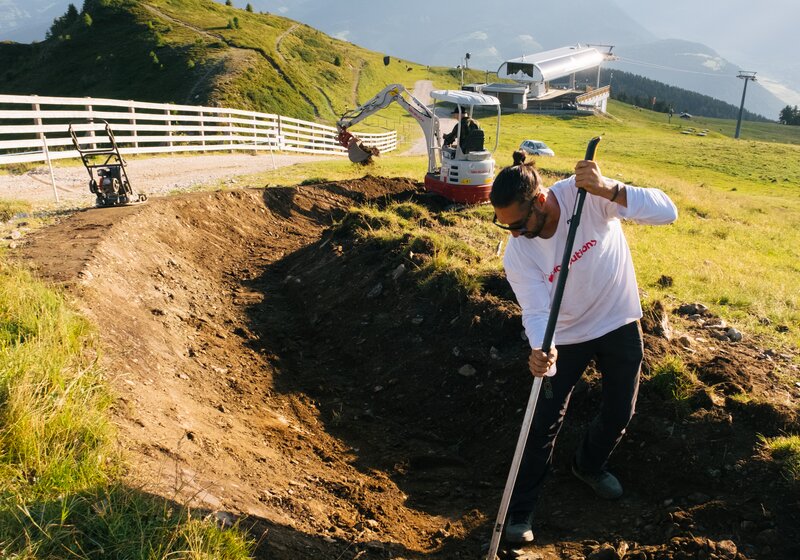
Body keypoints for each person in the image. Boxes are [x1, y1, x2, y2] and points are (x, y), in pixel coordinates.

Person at [490, 150, 678, 545]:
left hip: (617, 321)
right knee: (543, 423)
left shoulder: (586, 197)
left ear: (540, 201)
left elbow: (668, 212)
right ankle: (520, 513)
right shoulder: (518, 251)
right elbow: (536, 307)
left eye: (520, 225)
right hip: (567, 335)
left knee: (619, 411)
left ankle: (587, 465)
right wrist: (543, 347)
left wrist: (610, 188)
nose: (515, 235)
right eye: (505, 226)